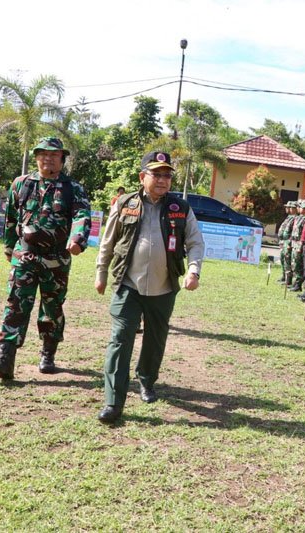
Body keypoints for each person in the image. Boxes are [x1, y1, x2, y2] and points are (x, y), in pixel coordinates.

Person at [94, 151, 204, 423]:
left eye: (167, 175)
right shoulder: (124, 203)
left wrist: (193, 270)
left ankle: (147, 380)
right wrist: (101, 273)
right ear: (143, 177)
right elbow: (107, 242)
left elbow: (195, 242)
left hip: (163, 287)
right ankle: (113, 402)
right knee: (120, 341)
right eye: (157, 174)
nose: (163, 180)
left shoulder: (181, 208)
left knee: (155, 340)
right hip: (127, 284)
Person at [0, 137, 91, 380]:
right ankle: (5, 358)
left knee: (52, 308)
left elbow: (82, 215)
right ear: (36, 158)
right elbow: (11, 216)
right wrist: (9, 246)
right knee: (16, 303)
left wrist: (77, 239)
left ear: (62, 159)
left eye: (53, 155)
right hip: (24, 255)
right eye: (42, 154)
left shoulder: (73, 188)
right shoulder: (21, 184)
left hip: (57, 260)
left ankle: (48, 352)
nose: (47, 158)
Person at [289, 200, 305, 292]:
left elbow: (303, 234)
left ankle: (298, 284)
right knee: (294, 264)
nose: (298, 208)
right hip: (294, 243)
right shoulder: (299, 218)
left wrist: (300, 246)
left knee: (298, 265)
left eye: (300, 207)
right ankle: (295, 283)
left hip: (299, 244)